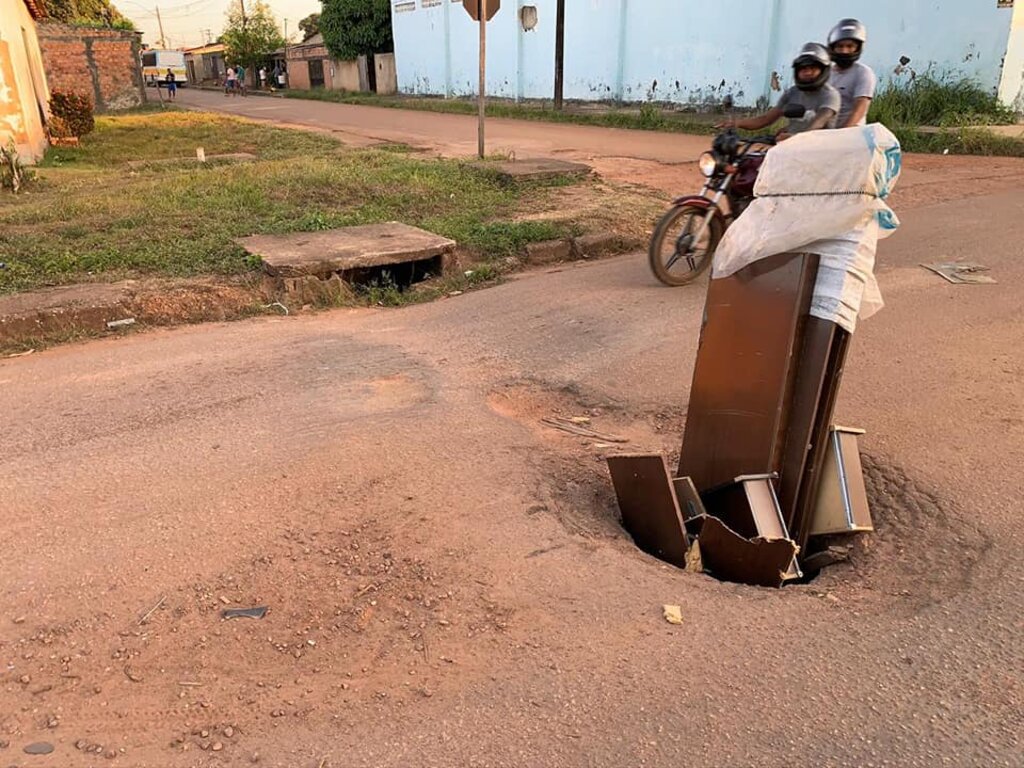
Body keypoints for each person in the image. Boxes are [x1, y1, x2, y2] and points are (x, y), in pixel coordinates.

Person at [718, 43, 839, 138]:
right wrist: (737, 123)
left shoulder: (830, 95)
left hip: (820, 151)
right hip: (788, 148)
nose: (807, 72)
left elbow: (817, 125)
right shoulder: (792, 93)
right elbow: (765, 119)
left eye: (813, 68)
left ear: (823, 70)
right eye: (803, 69)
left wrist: (793, 138)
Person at [828, 18, 877, 128]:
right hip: (824, 133)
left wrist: (843, 133)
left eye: (850, 46)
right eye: (840, 46)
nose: (844, 51)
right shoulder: (825, 74)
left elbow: (860, 108)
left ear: (857, 48)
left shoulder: (863, 73)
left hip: (852, 133)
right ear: (833, 48)